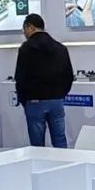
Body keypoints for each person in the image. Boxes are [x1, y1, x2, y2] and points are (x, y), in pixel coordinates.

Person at [15, 14, 74, 148]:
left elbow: (20, 78)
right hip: (56, 101)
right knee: (60, 141)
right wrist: (60, 95)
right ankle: (63, 161)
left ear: (30, 27)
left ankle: (39, 163)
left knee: (37, 146)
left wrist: (25, 100)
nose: (24, 33)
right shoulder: (60, 48)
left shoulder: (26, 49)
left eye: (24, 29)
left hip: (34, 101)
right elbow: (69, 76)